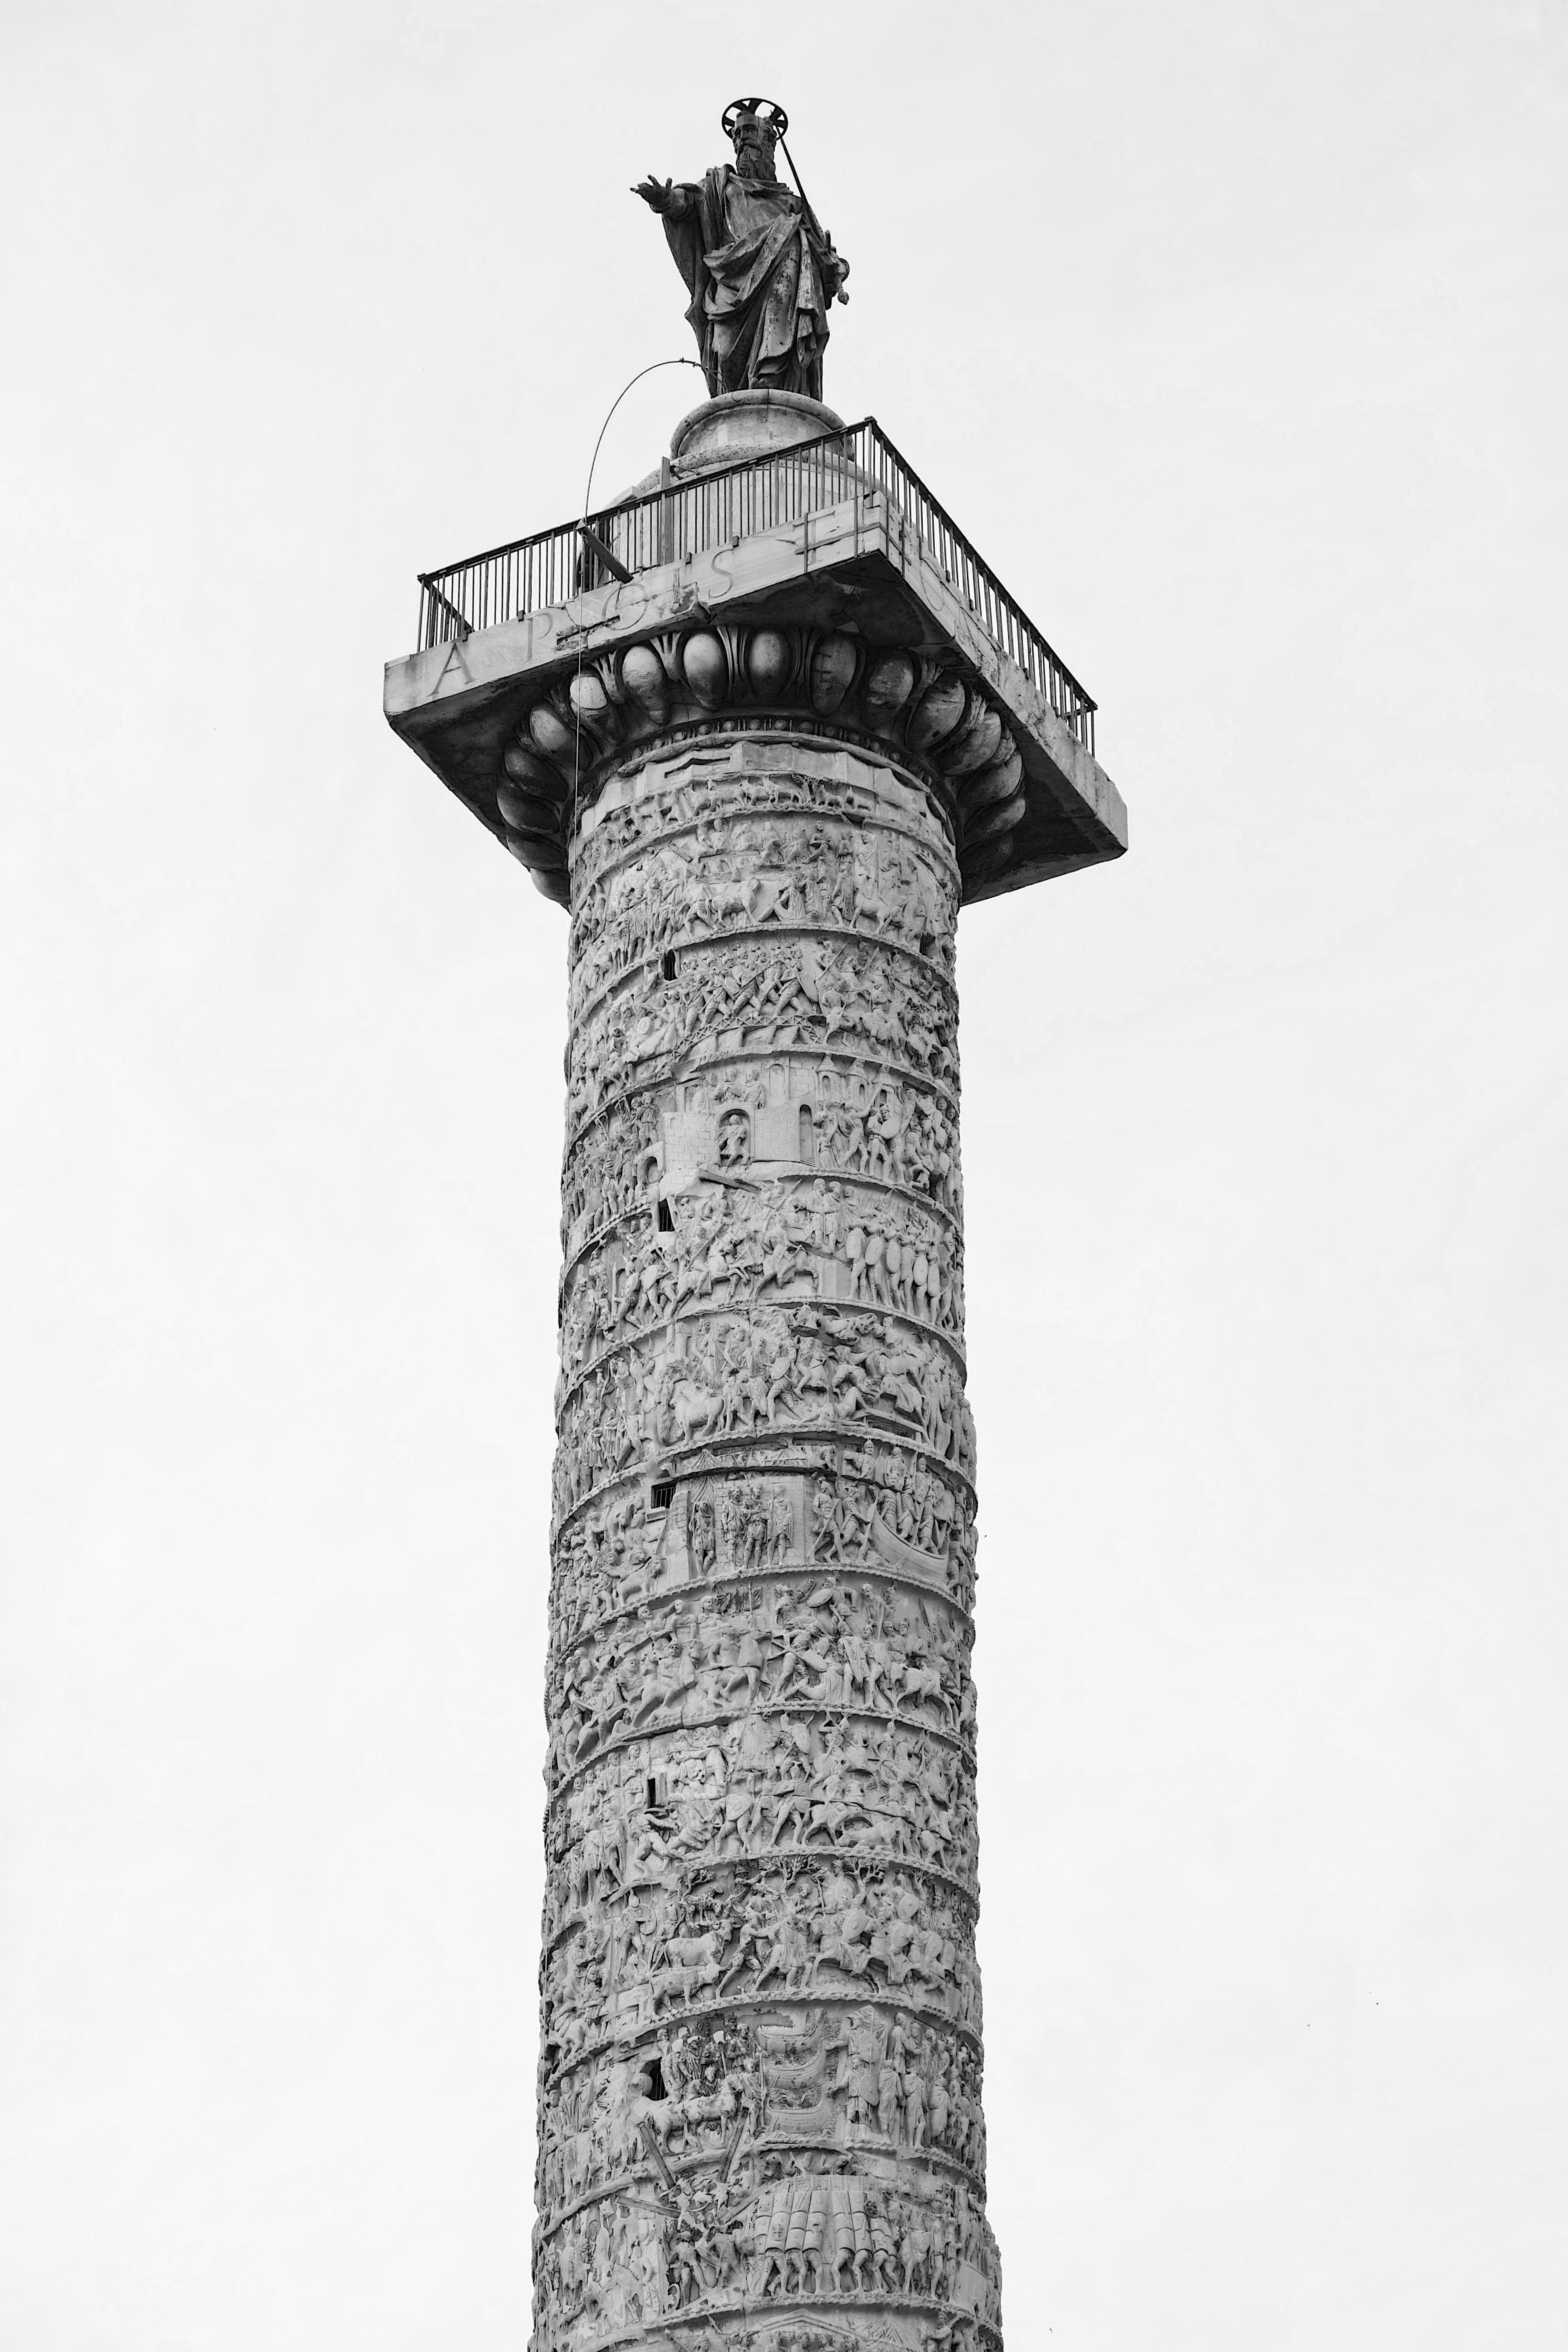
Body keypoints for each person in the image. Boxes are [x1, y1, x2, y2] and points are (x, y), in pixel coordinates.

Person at [634, 98, 849, 398]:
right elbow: (689, 202)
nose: (741, 144)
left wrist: (836, 267)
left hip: (780, 288)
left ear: (769, 145)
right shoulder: (721, 186)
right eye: (737, 139)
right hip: (731, 283)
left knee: (792, 240)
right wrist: (666, 201)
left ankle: (772, 381)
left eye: (749, 137)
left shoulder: (792, 204)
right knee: (724, 352)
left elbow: (825, 255)